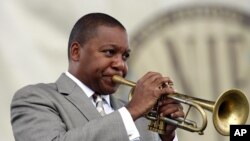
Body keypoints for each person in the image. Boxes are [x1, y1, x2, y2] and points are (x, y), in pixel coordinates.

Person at [11, 13, 184, 141]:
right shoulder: (34, 98)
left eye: (125, 56)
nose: (120, 64)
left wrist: (166, 136)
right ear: (76, 52)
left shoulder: (139, 114)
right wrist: (131, 112)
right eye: (109, 52)